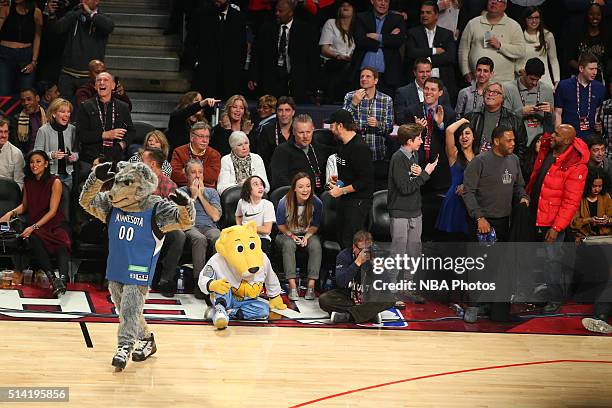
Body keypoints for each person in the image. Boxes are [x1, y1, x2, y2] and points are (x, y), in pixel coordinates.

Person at [526, 124, 589, 312]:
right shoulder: (548, 150)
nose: (551, 136)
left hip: (552, 222)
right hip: (536, 214)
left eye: (557, 135)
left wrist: (556, 228)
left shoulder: (576, 165)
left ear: (568, 141)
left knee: (552, 261)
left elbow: (571, 202)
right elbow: (537, 176)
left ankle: (555, 299)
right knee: (539, 260)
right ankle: (543, 295)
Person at [0, 150, 69, 298]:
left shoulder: (55, 182)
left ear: (45, 164)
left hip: (53, 222)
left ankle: (62, 279)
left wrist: (33, 227)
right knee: (35, 239)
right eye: (32, 162)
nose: (34, 165)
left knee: (61, 241)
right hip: (36, 223)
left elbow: (52, 211)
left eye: (38, 161)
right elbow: (25, 206)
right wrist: (10, 213)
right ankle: (53, 279)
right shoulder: (28, 182)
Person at [463, 125, 530, 242]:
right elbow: (468, 191)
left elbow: (518, 185)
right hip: (482, 221)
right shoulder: (479, 161)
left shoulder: (514, 159)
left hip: (506, 221)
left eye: (513, 140)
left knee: (501, 258)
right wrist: (479, 218)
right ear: (496, 141)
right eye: (509, 140)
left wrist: (523, 196)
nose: (513, 143)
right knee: (481, 259)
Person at [247, 0, 320, 102]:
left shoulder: (306, 30)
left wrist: (313, 84)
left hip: (296, 80)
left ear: (290, 13)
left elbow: (313, 58)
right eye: (276, 11)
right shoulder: (266, 28)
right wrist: (253, 76)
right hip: (271, 79)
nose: (277, 14)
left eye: (280, 11)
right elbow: (257, 54)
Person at [319, 230, 395, 324]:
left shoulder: (377, 255)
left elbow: (386, 288)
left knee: (391, 298)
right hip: (349, 296)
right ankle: (369, 313)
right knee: (324, 300)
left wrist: (379, 269)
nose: (365, 253)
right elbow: (341, 282)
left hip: (368, 297)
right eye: (361, 249)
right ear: (354, 247)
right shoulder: (344, 256)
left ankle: (347, 316)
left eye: (368, 249)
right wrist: (357, 263)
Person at [49, 0, 114, 105]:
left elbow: (109, 27)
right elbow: (58, 28)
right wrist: (52, 14)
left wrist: (91, 14)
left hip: (88, 77)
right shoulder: (74, 15)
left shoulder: (102, 18)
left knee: (87, 112)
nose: (83, 1)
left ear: (97, 1)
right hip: (67, 74)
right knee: (63, 109)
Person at [140, 147, 185, 298]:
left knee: (179, 235)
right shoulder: (135, 181)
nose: (139, 164)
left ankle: (166, 280)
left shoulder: (170, 185)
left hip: (160, 226)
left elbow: (173, 213)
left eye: (142, 161)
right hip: (136, 223)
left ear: (152, 164)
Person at [326, 109, 375, 249]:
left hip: (358, 202)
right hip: (346, 200)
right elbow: (347, 176)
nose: (330, 128)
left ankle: (357, 270)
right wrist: (337, 183)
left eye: (332, 125)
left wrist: (341, 191)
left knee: (352, 242)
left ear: (340, 126)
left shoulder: (360, 148)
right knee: (342, 239)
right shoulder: (342, 145)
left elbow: (365, 181)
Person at [388, 124, 438, 256]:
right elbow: (405, 188)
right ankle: (393, 278)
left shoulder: (414, 154)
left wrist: (421, 172)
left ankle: (409, 278)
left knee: (414, 253)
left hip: (415, 211)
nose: (422, 141)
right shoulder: (397, 158)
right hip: (400, 213)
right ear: (409, 141)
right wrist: (425, 174)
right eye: (419, 138)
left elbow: (413, 181)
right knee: (397, 254)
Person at [76, 72, 135, 180]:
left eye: (106, 80)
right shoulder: (86, 106)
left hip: (114, 157)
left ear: (113, 86)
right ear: (95, 86)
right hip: (89, 159)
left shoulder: (123, 107)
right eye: (99, 80)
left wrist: (122, 144)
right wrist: (105, 134)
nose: (101, 82)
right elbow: (81, 135)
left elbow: (131, 131)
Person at [343, 67, 393, 190]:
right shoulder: (350, 96)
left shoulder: (386, 100)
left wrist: (378, 125)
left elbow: (389, 128)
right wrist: (354, 103)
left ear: (376, 80)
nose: (364, 79)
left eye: (368, 76)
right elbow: (341, 123)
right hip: (353, 155)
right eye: (362, 76)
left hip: (376, 155)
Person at [275, 172, 323, 301]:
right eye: (301, 186)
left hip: (307, 233)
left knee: (315, 245)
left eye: (308, 186)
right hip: (286, 233)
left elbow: (315, 225)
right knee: (288, 245)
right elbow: (280, 225)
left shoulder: (316, 202)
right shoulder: (284, 202)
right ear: (294, 188)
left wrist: (306, 237)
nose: (305, 190)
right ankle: (292, 286)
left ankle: (311, 286)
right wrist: (291, 235)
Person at [180, 159, 222, 299]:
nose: (197, 176)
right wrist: (192, 197)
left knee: (218, 237)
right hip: (190, 226)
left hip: (209, 227)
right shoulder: (180, 192)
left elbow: (215, 217)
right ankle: (200, 284)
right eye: (193, 172)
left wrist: (201, 196)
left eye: (200, 172)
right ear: (187, 176)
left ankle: (217, 282)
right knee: (199, 239)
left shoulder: (212, 193)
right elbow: (182, 218)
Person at [405, 77, 456, 192]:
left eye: (433, 89)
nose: (428, 92)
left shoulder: (449, 113)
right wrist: (416, 130)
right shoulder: (411, 111)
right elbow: (405, 141)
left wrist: (440, 125)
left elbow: (451, 143)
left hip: (440, 168)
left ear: (440, 93)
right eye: (426, 88)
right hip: (417, 167)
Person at [190, 0, 247, 100]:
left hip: (230, 74)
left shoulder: (239, 17)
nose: (217, 2)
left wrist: (238, 67)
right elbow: (191, 41)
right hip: (206, 72)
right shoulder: (202, 14)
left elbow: (242, 46)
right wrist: (196, 62)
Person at [459, 0, 525, 83]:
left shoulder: (514, 26)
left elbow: (520, 51)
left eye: (498, 1)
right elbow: (463, 50)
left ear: (504, 6)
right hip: (478, 80)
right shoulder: (473, 23)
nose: (494, 2)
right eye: (491, 0)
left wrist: (500, 46)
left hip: (504, 82)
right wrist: (466, 72)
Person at [405, 1, 458, 104]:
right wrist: (434, 51)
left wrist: (427, 61)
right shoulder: (413, 33)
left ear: (436, 15)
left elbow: (450, 57)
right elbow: (412, 53)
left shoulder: (447, 34)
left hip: (442, 83)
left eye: (428, 12)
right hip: (419, 86)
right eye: (422, 13)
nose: (424, 15)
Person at [351, 0, 405, 97]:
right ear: (372, 1)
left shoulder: (397, 19)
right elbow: (360, 41)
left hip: (388, 75)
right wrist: (387, 38)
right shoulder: (361, 17)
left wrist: (376, 36)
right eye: (380, 0)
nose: (383, 3)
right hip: (362, 75)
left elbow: (398, 41)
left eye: (386, 1)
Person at [270, 114, 331, 196]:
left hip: (319, 197)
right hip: (294, 197)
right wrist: (300, 192)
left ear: (313, 130)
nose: (305, 136)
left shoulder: (319, 148)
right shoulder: (282, 150)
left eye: (308, 132)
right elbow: (279, 179)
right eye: (301, 132)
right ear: (294, 132)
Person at [464, 82, 528, 160]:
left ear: (503, 98)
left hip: (503, 166)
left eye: (495, 92)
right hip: (476, 163)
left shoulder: (514, 119)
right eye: (488, 91)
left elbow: (521, 147)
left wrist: (512, 166)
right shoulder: (471, 117)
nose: (490, 94)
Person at [435, 118, 477, 238]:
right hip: (455, 200)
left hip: (471, 201)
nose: (464, 136)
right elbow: (449, 130)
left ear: (474, 137)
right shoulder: (454, 153)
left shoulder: (479, 157)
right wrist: (462, 120)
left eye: (467, 133)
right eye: (461, 134)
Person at [503, 57, 555, 145]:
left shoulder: (547, 89)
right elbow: (504, 120)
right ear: (524, 73)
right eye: (532, 79)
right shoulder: (508, 88)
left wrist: (550, 112)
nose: (534, 83)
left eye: (537, 80)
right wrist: (521, 112)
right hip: (517, 141)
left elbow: (551, 122)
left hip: (540, 142)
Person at [555, 53, 606, 140]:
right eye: (591, 69)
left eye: (596, 69)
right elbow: (557, 113)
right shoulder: (564, 85)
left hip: (590, 138)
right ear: (581, 68)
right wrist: (559, 135)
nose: (595, 72)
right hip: (569, 137)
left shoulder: (600, 88)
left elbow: (597, 112)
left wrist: (599, 126)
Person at [0, 0, 42, 96]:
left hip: (26, 55)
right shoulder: (6, 9)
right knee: (3, 91)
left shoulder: (36, 12)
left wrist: (34, 61)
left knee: (26, 92)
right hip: (5, 54)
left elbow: (38, 37)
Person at [33, 98, 78, 189]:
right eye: (62, 111)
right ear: (53, 114)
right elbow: (36, 155)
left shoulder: (73, 129)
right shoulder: (43, 130)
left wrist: (73, 157)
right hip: (49, 175)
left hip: (68, 176)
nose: (66, 115)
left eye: (68, 112)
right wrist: (51, 155)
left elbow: (77, 151)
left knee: (66, 202)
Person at [319, 1, 355, 103]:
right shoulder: (331, 23)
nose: (345, 7)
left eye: (349, 5)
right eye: (343, 5)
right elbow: (324, 49)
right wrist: (338, 56)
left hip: (351, 63)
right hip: (334, 62)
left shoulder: (357, 27)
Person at [395, 58, 452, 124]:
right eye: (421, 72)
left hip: (438, 131)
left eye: (428, 71)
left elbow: (449, 115)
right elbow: (400, 119)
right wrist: (415, 125)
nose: (425, 75)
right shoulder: (403, 92)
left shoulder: (441, 90)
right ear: (414, 73)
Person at [170, 121, 221, 188]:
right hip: (184, 189)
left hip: (207, 190)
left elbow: (212, 177)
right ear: (192, 137)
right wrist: (202, 173)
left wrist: (187, 171)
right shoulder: (179, 151)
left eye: (207, 137)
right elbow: (175, 175)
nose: (205, 140)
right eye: (201, 136)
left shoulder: (214, 154)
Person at [568, 3, 609, 84]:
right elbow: (569, 59)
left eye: (598, 14)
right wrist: (584, 70)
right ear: (586, 15)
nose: (595, 17)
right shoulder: (577, 35)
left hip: (599, 78)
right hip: (579, 76)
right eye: (591, 14)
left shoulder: (606, 36)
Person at [217, 130, 268, 195]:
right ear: (233, 148)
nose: (244, 147)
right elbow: (221, 188)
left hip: (256, 196)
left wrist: (249, 185)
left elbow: (266, 186)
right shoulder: (226, 160)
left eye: (246, 143)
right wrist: (239, 185)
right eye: (239, 145)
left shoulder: (256, 158)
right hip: (234, 197)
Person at [520, 6, 560, 87]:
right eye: (530, 18)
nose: (534, 21)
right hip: (524, 80)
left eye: (537, 17)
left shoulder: (547, 35)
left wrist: (557, 80)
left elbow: (553, 60)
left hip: (544, 81)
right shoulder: (518, 35)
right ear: (525, 19)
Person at [235, 175, 275, 256]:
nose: (260, 187)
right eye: (256, 184)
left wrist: (247, 228)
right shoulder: (242, 202)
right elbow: (238, 216)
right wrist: (240, 227)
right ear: (248, 189)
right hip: (244, 236)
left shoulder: (268, 205)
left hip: (261, 238)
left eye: (261, 184)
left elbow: (267, 229)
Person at [571, 167, 612, 242]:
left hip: (604, 238)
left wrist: (608, 220)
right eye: (594, 186)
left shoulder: (606, 197)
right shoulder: (579, 198)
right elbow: (573, 223)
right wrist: (589, 220)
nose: (597, 189)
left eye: (600, 186)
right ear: (587, 184)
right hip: (584, 238)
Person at [257, 96, 295, 173]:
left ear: (293, 112)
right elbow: (262, 159)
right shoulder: (267, 130)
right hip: (273, 174)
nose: (283, 114)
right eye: (280, 110)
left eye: (287, 110)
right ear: (276, 112)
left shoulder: (299, 130)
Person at [13, 87, 46, 154]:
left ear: (37, 98)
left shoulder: (49, 116)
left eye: (29, 99)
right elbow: (16, 145)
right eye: (23, 100)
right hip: (27, 157)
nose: (26, 103)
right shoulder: (17, 119)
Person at [0, 118, 25, 188]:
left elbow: (19, 182)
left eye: (6, 132)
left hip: (7, 195)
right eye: (0, 132)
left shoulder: (16, 153)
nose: (3, 135)